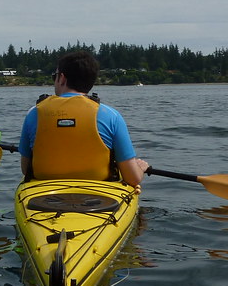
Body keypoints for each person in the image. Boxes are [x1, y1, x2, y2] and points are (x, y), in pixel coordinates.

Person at [19, 50, 148, 187]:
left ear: (62, 78)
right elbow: (133, 179)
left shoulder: (34, 114)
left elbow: (25, 168)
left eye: (54, 76)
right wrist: (141, 168)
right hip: (99, 198)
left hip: (43, 194)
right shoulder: (111, 115)